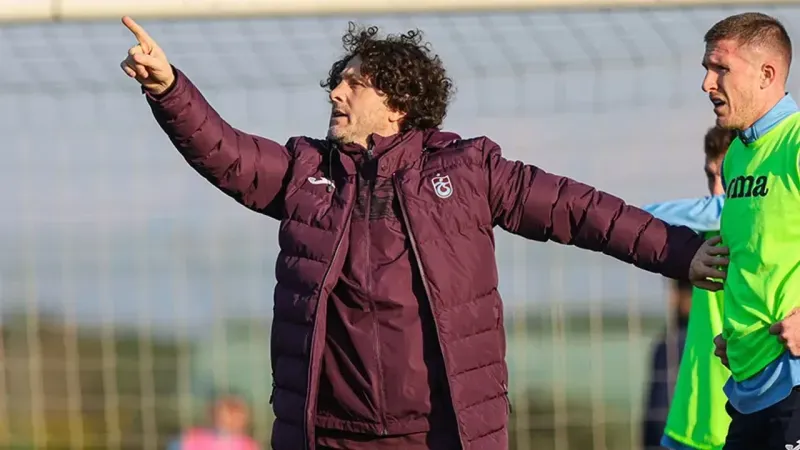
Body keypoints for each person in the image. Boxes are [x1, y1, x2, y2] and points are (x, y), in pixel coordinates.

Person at [118, 17, 727, 450]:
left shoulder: (469, 170)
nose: (335, 91)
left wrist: (682, 253)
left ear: (397, 103)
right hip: (328, 435)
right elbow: (226, 153)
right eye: (337, 82)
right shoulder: (305, 171)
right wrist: (168, 87)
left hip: (440, 433)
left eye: (353, 83)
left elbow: (584, 211)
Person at [695, 11, 800, 449]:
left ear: (766, 74)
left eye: (721, 68)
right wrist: (739, 337)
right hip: (748, 388)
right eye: (707, 69)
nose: (707, 84)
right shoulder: (737, 155)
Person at [641, 125, 736, 450]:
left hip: (752, 416)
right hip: (694, 420)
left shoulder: (774, 225)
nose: (716, 190)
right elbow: (643, 221)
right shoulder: (707, 228)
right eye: (711, 176)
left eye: (727, 176)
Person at [642, 278, 692, 450]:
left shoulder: (673, 343)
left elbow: (658, 407)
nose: (672, 299)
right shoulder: (669, 342)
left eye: (681, 292)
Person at [167, 393, 260, 450]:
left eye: (238, 415)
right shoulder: (192, 438)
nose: (233, 419)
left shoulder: (248, 445)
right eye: (229, 413)